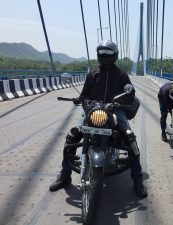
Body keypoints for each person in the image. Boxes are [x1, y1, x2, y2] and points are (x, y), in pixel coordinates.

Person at [49, 40, 147, 198]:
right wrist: (81, 99)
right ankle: (65, 175)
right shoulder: (92, 74)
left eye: (108, 53)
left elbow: (130, 94)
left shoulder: (121, 75)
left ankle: (137, 179)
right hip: (93, 111)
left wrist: (118, 103)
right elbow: (85, 94)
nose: (104, 56)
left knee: (130, 137)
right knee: (72, 136)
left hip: (114, 111)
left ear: (115, 55)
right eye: (101, 53)